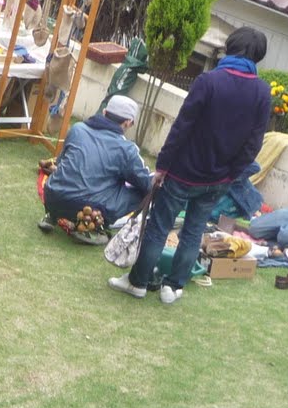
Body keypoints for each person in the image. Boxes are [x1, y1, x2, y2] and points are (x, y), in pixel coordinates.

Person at [109, 26, 272, 305]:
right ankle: (173, 287)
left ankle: (138, 282)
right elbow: (254, 143)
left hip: (183, 173)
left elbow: (182, 127)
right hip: (219, 179)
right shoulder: (262, 92)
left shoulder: (209, 81)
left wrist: (162, 166)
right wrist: (232, 174)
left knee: (159, 227)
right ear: (258, 56)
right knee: (193, 231)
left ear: (231, 47)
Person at [41, 94, 151, 233]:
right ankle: (96, 226)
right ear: (128, 122)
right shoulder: (127, 149)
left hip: (53, 197)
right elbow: (147, 183)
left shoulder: (77, 128)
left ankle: (52, 215)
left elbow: (60, 162)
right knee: (143, 192)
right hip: (88, 207)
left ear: (104, 112)